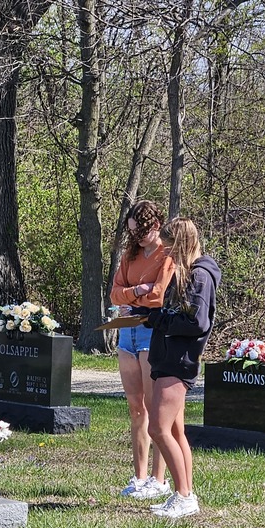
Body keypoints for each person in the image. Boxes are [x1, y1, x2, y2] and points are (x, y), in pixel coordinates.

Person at [133, 217, 221, 520]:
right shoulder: (184, 275)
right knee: (174, 430)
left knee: (157, 428)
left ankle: (184, 496)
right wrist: (148, 313)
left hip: (179, 360)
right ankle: (185, 494)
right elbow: (172, 311)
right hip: (166, 356)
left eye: (170, 247)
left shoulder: (200, 276)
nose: (166, 253)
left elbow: (197, 322)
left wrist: (158, 321)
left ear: (181, 244)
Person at [110, 199, 176, 500]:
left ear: (156, 227)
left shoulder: (168, 255)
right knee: (136, 407)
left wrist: (134, 297)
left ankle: (159, 479)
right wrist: (137, 291)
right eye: (132, 233)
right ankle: (139, 477)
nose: (136, 238)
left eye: (141, 232)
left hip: (152, 332)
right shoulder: (130, 254)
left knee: (156, 408)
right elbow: (115, 293)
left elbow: (159, 296)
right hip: (126, 333)